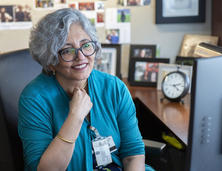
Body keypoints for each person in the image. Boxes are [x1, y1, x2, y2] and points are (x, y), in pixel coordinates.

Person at [18, 8, 154, 171]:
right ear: (50, 61)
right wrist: (75, 117)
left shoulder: (114, 88)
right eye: (67, 50)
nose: (81, 57)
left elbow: (133, 154)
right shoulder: (34, 99)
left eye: (86, 45)